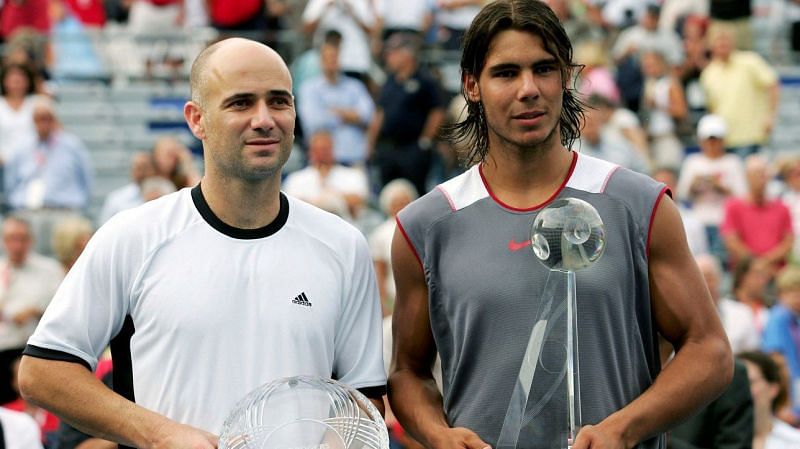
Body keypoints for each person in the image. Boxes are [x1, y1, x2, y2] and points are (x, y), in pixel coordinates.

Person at [387, 2, 733, 449]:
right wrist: (437, 435)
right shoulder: (425, 226)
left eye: (544, 69)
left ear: (566, 77)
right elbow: (406, 371)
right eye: (506, 73)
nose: (529, 89)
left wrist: (623, 429)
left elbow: (711, 352)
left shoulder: (639, 205)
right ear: (472, 85)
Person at [17, 37, 386, 448]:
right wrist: (158, 434)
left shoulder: (343, 245)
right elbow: (42, 372)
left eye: (279, 101)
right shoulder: (133, 236)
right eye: (241, 103)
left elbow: (362, 398)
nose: (264, 119)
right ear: (197, 119)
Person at [761, 265, 800, 421]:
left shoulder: (795, 319)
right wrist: (783, 404)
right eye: (793, 292)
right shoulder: (777, 318)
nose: (798, 297)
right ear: (781, 294)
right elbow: (776, 360)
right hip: (787, 396)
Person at [739, 351, 800, 449]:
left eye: (749, 382)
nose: (740, 390)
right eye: (735, 384)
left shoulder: (794, 442)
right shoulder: (714, 441)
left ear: (773, 389)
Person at [98, 151, 157, 224]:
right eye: (137, 167)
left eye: (144, 167)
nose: (140, 172)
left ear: (153, 170)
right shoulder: (116, 199)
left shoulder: (162, 194)